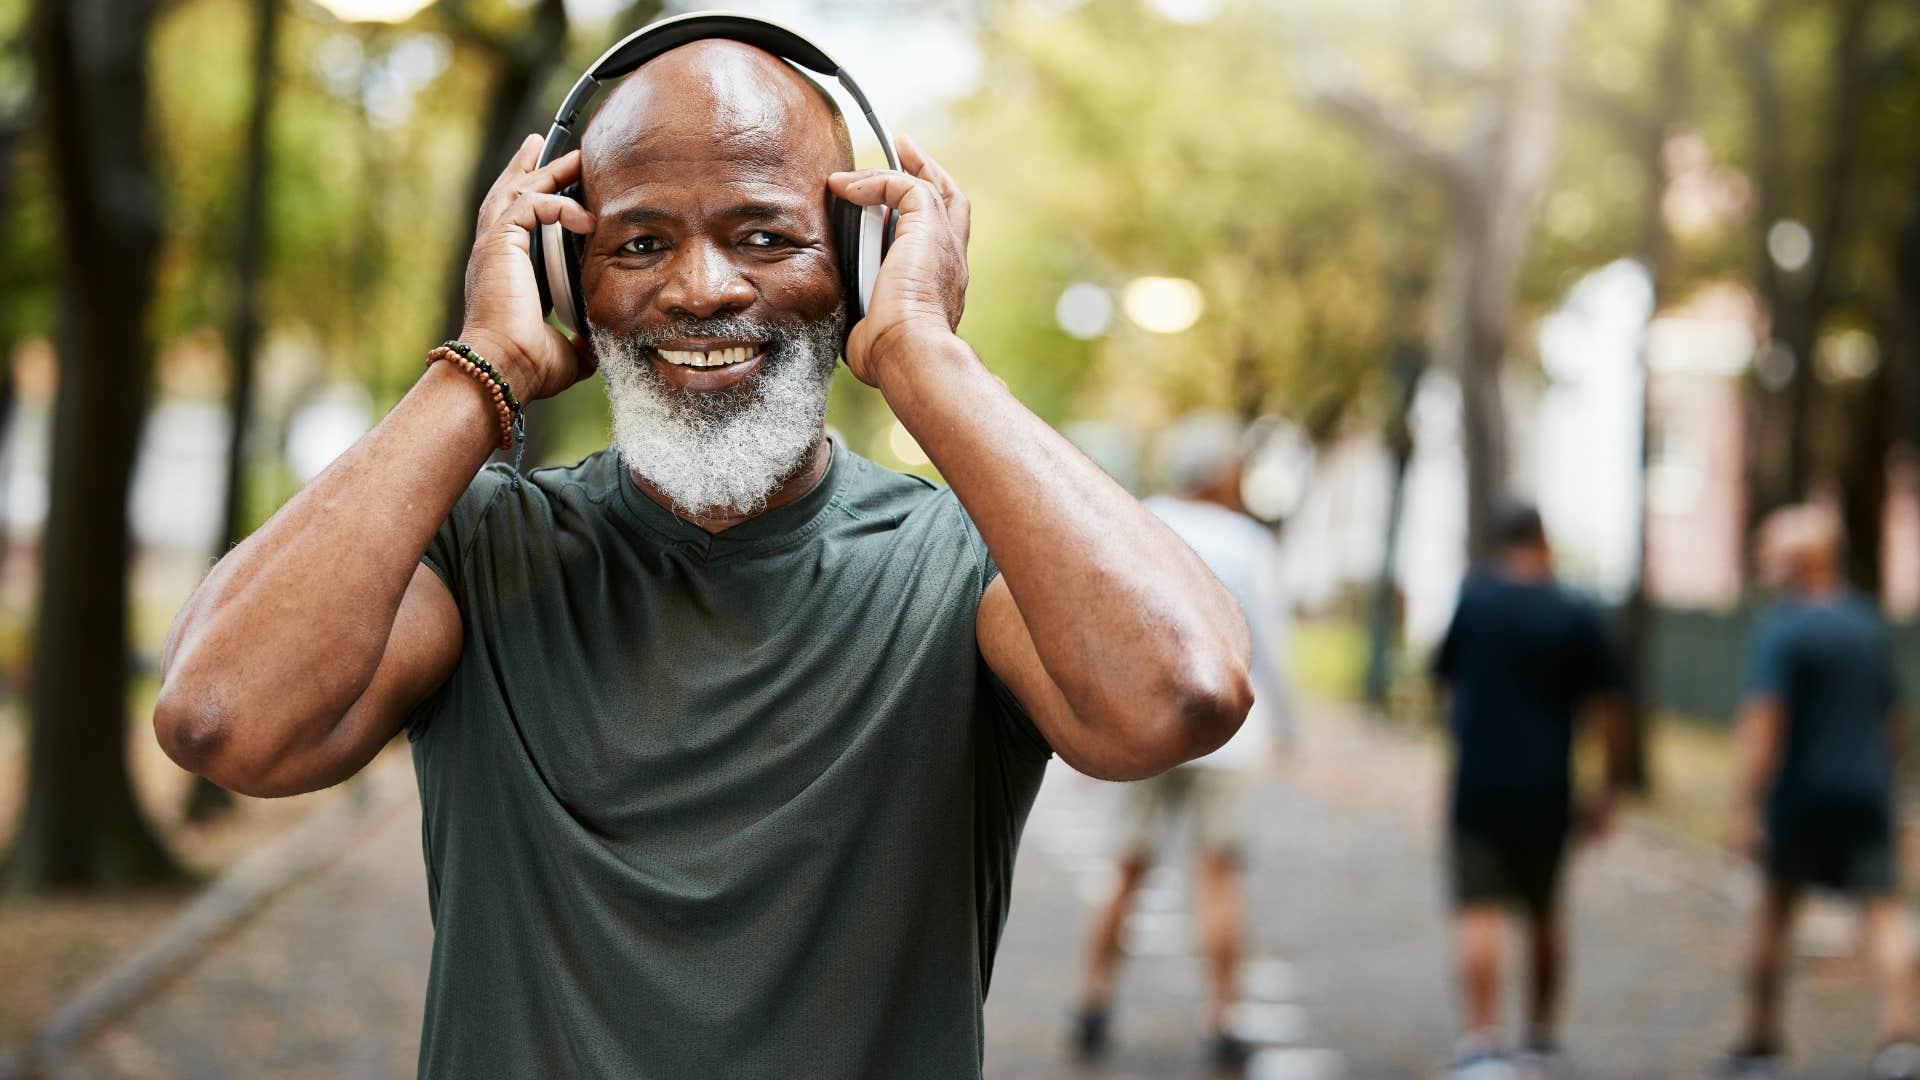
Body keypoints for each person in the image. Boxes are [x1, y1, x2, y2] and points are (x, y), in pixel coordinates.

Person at [151, 19, 1254, 1080]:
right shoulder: (478, 545)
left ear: (863, 263)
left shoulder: (969, 565)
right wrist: (484, 359)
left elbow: (1182, 693)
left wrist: (926, 354)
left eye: (765, 235)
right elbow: (224, 720)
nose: (702, 289)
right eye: (639, 243)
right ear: (564, 279)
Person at [1071, 414, 1295, 1070]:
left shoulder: (1137, 519)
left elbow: (1105, 621)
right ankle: (1223, 1017)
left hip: (1146, 727)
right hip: (1228, 732)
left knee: (1126, 868)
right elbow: (1272, 646)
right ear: (1221, 473)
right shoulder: (1248, 540)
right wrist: (1290, 729)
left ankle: (1092, 1000)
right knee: (1218, 876)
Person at [1720, 504, 1917, 1080]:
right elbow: (1895, 720)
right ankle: (1900, 1044)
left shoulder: (1782, 629)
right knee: (1882, 913)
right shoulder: (1866, 624)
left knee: (1775, 917)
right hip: (1865, 792)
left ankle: (1760, 1044)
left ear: (1795, 562)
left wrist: (1744, 805)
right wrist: (1886, 781)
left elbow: (1764, 720)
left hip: (1799, 799)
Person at [1430, 501, 1625, 1075]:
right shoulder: (1575, 610)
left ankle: (1482, 1040)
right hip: (1548, 784)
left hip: (1479, 781)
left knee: (1478, 909)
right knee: (1544, 910)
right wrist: (1607, 786)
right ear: (1544, 542)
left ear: (1498, 543)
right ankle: (1540, 1034)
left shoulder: (1475, 600)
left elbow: (1445, 684)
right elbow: (1607, 706)